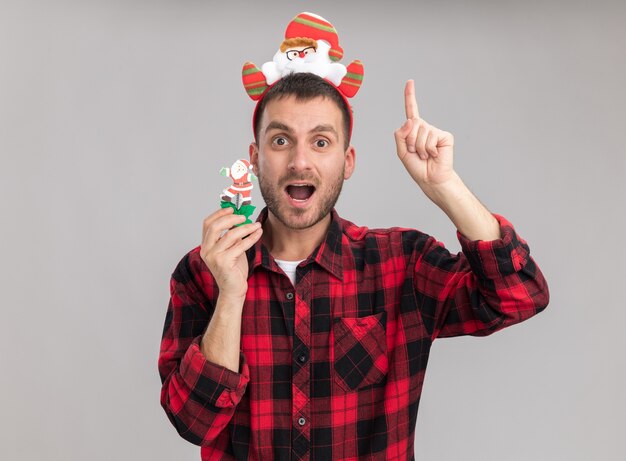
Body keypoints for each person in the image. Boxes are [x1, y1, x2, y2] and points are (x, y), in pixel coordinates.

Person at [158, 71, 549, 460]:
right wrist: (231, 295)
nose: (299, 161)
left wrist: (445, 186)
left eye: (321, 142)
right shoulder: (201, 272)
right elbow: (194, 422)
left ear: (347, 162)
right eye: (281, 141)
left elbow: (520, 295)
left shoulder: (401, 262)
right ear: (256, 159)